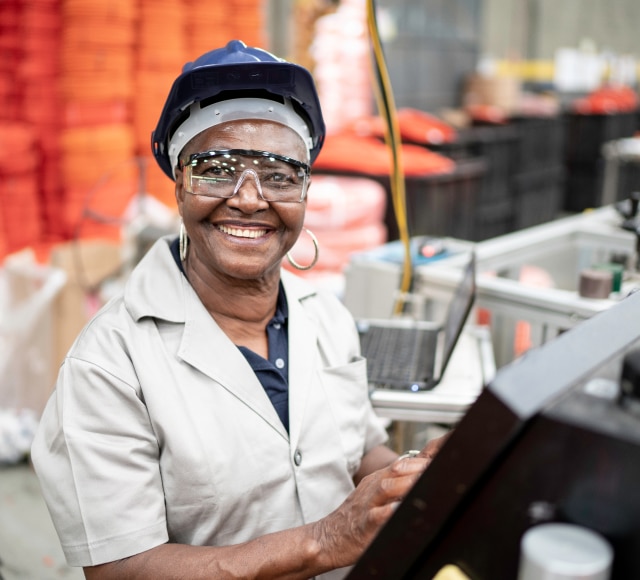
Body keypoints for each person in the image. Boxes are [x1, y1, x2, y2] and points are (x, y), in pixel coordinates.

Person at [31, 40, 446, 580]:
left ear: (304, 193)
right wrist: (324, 541)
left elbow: (359, 446)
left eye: (279, 175)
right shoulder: (109, 367)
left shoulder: (326, 316)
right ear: (179, 185)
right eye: (217, 169)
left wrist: (414, 480)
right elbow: (121, 569)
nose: (250, 199)